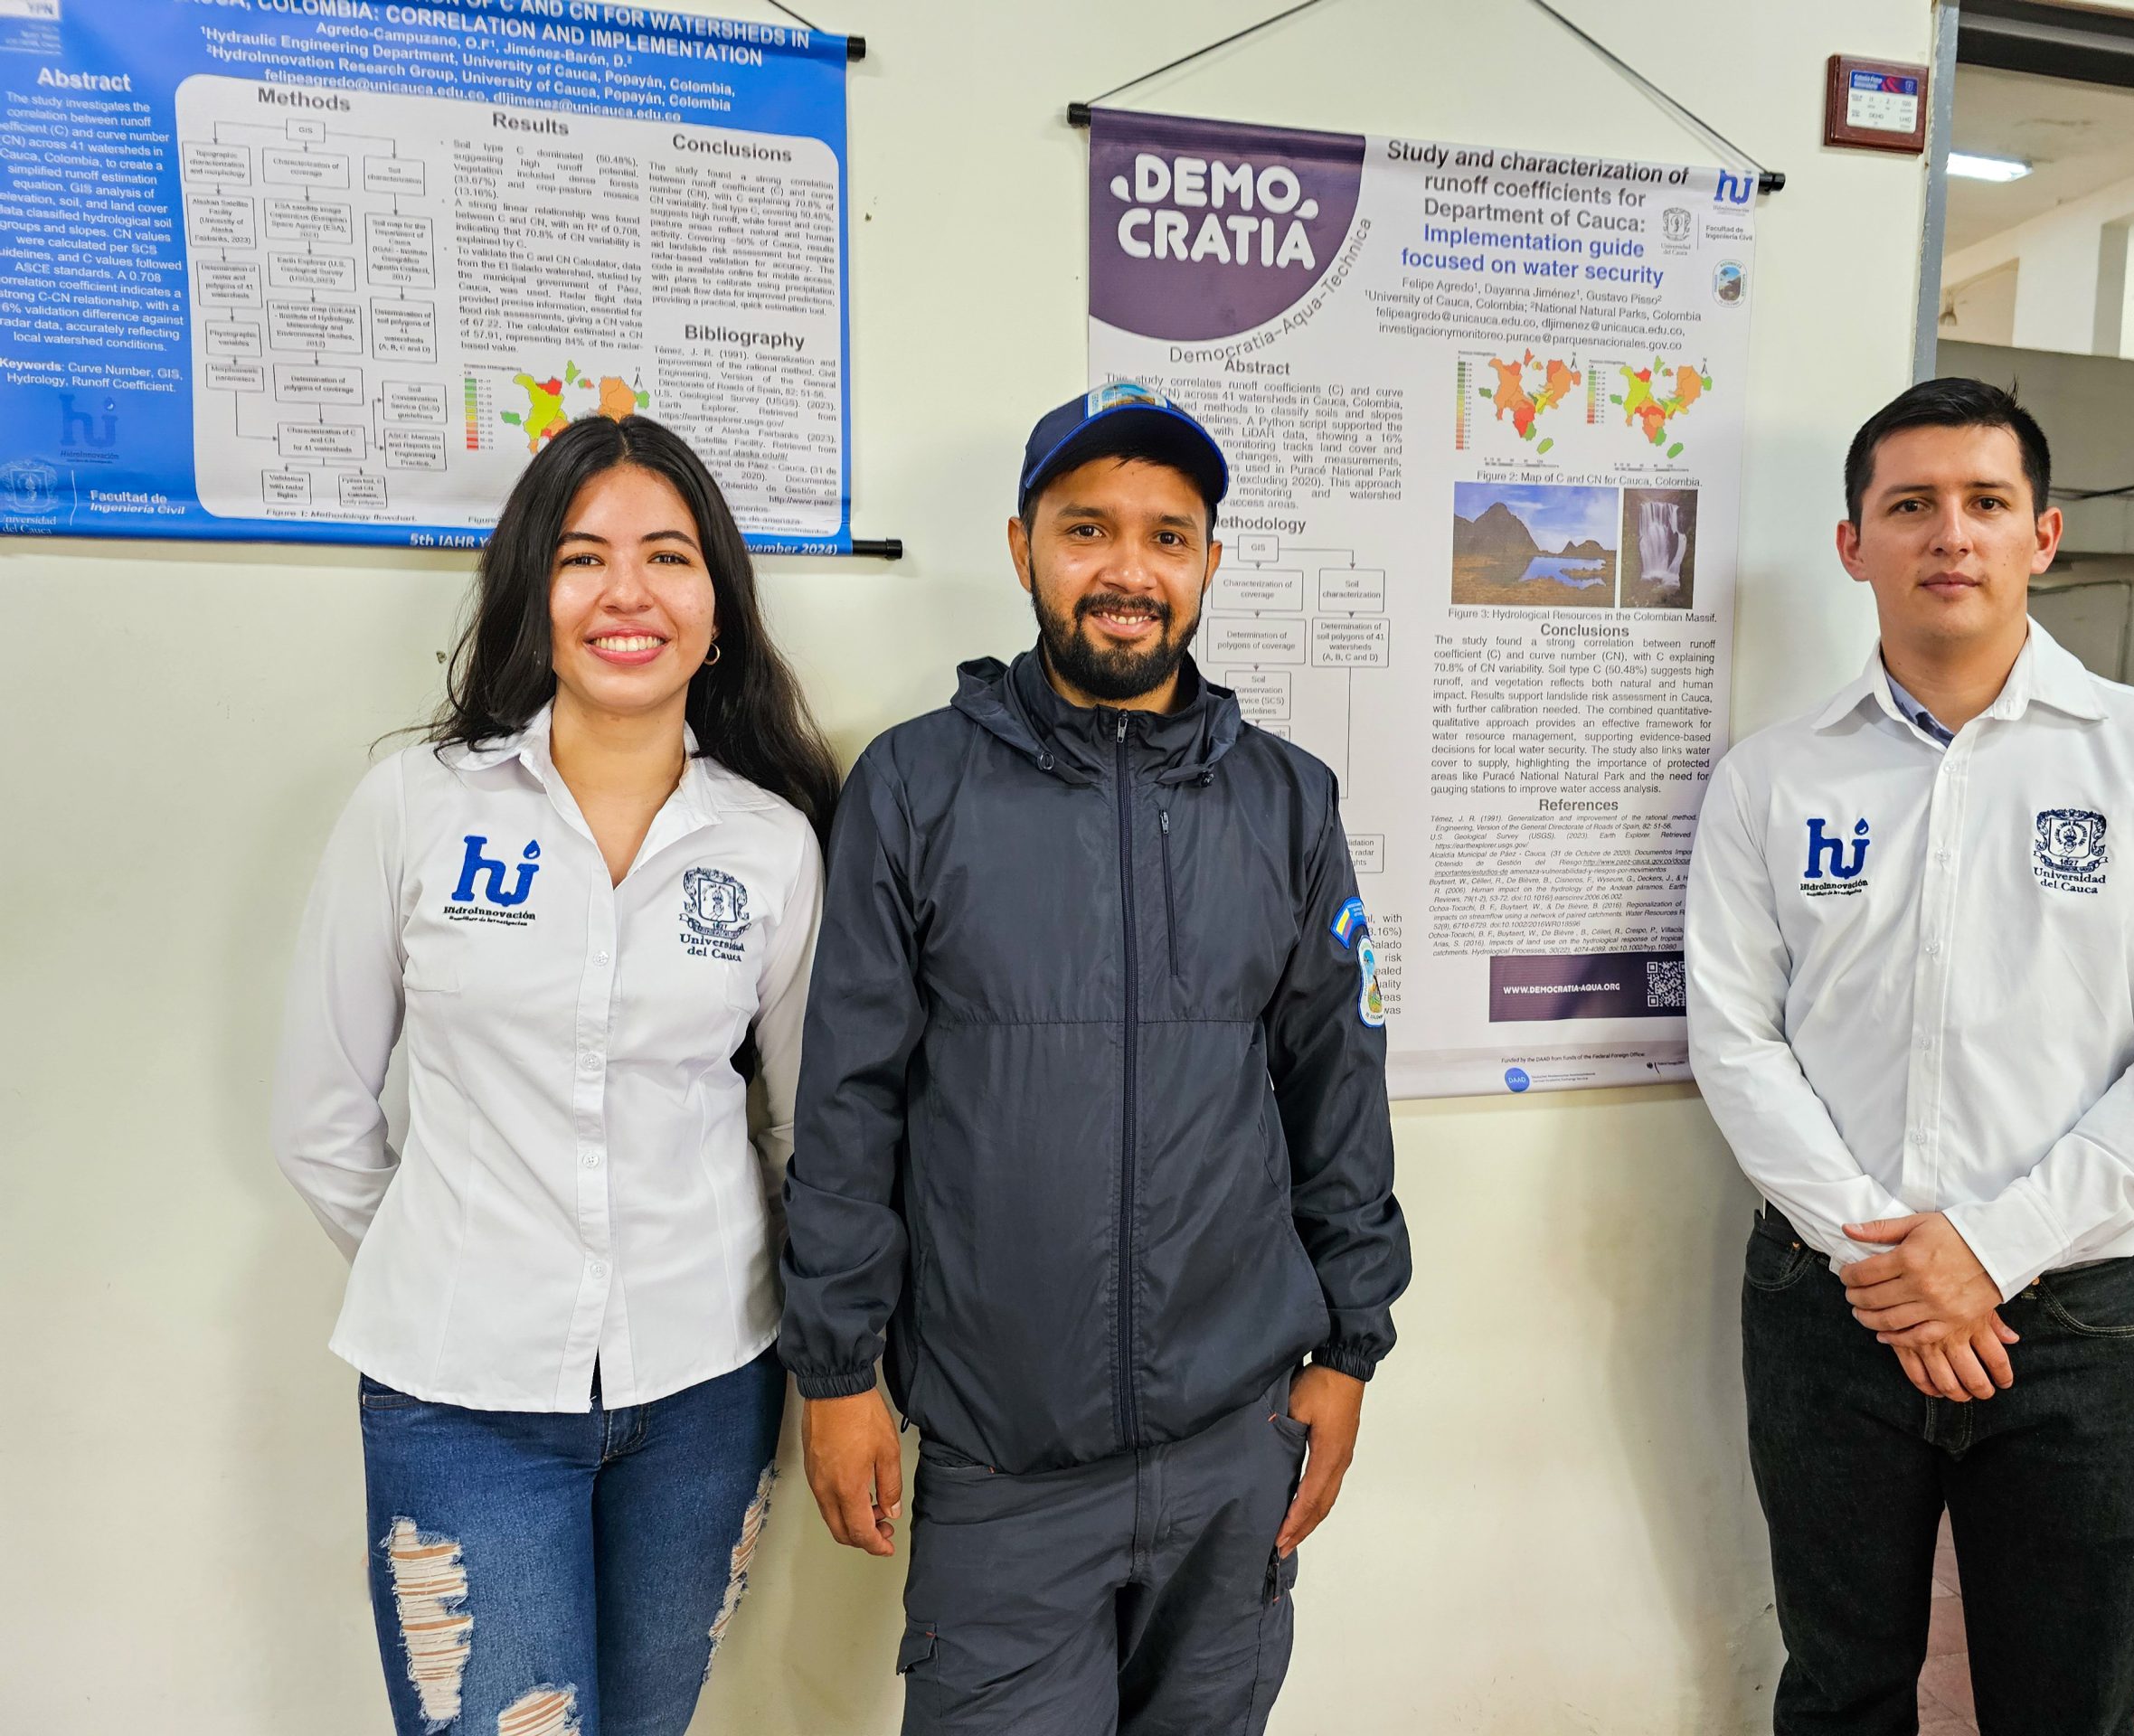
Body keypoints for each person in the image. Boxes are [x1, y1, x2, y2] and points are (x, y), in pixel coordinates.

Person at [778, 382, 1412, 1734]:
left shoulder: (1288, 801)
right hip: (1007, 1464)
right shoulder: (913, 789)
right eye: (1087, 530)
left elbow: (1335, 1091)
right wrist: (835, 1375)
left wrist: (1350, 1351)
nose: (1128, 570)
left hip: (1237, 1449)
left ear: (1207, 564)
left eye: (1168, 536)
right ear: (1023, 550)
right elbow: (846, 1108)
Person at [1685, 377, 2134, 1735]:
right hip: (1833, 1312)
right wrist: (1887, 1262)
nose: (1951, 534)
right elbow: (1735, 1034)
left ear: (2043, 535)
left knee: (2069, 1707)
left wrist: (1988, 1251)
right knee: (1839, 1693)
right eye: (1911, 506)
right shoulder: (1774, 780)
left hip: (2074, 1320)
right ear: (1855, 545)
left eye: (1986, 503)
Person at [272, 414, 837, 1736]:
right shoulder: (415, 809)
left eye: (668, 557)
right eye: (583, 557)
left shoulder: (770, 845)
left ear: (719, 607)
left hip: (707, 1388)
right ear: (533, 591)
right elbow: (321, 1116)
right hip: (459, 1402)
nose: (626, 593)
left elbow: (811, 1131)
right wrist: (458, 1260)